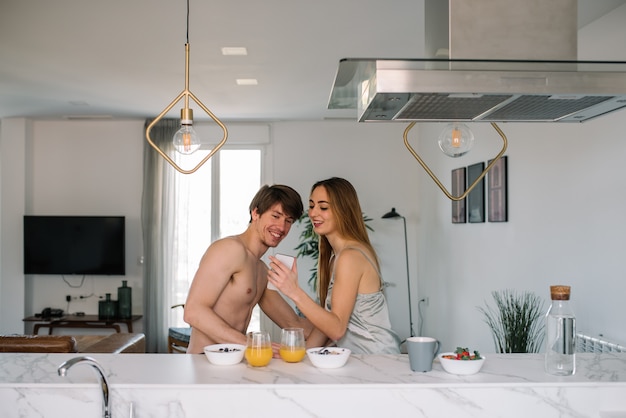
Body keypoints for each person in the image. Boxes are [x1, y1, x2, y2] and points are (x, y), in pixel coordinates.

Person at [268, 177, 401, 354]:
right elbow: (326, 323)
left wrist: (294, 292)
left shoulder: (350, 257)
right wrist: (301, 354)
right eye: (312, 205)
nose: (314, 213)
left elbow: (336, 329)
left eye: (323, 207)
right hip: (360, 359)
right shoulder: (337, 257)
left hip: (376, 359)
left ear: (343, 211)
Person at [184, 184, 312, 354]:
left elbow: (294, 324)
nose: (281, 227)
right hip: (205, 362)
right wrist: (251, 344)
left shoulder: (261, 271)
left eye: (288, 221)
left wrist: (341, 321)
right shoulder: (230, 249)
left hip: (234, 362)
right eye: (275, 216)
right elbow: (193, 311)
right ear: (255, 213)